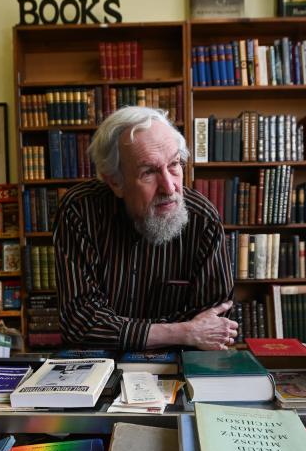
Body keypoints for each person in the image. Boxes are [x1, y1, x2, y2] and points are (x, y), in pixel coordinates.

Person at [53, 106, 237, 352]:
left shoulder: (203, 221)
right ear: (115, 182)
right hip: (98, 369)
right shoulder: (80, 211)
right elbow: (79, 323)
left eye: (174, 165)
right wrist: (182, 331)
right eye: (149, 172)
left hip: (177, 368)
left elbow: (213, 326)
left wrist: (117, 329)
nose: (169, 188)